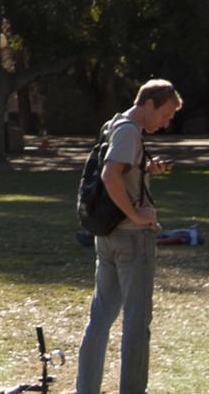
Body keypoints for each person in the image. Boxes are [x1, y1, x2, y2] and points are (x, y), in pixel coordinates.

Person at [75, 79, 180, 394]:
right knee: (136, 323)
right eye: (166, 113)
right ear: (149, 103)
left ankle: (86, 389)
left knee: (101, 317)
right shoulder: (129, 130)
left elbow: (120, 170)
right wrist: (137, 215)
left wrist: (146, 169)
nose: (166, 122)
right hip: (132, 239)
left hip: (107, 235)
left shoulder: (115, 124)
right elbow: (110, 175)